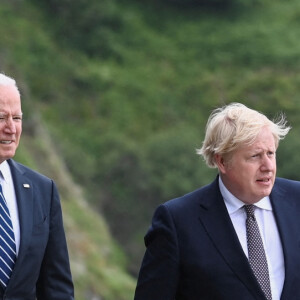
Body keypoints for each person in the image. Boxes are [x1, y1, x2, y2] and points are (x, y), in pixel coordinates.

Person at [134, 102, 300, 300]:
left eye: (271, 154)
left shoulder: (297, 200)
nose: (268, 166)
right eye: (255, 156)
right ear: (222, 161)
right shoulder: (177, 222)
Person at [0, 73, 74, 299]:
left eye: (17, 118)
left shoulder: (43, 190)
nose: (11, 128)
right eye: (1, 117)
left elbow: (57, 287)